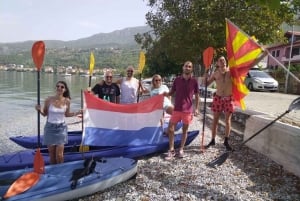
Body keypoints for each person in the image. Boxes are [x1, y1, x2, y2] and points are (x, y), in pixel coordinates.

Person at [35, 81, 82, 164]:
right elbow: (44, 114)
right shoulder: (49, 100)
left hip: (61, 128)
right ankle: (54, 172)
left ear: (65, 89)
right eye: (58, 86)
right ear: (56, 88)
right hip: (50, 128)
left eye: (62, 87)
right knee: (52, 155)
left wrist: (77, 112)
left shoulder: (67, 101)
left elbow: (67, 114)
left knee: (59, 155)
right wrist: (39, 110)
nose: (59, 88)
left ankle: (60, 171)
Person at [164, 61, 200, 160]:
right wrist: (164, 94)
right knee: (170, 129)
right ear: (183, 67)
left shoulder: (194, 81)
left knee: (185, 130)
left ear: (191, 69)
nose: (187, 68)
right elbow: (171, 92)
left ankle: (181, 149)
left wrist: (196, 108)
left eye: (189, 67)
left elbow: (197, 96)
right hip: (177, 109)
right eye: (186, 66)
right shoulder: (177, 80)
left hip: (187, 110)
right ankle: (171, 150)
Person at [204, 56, 234, 151]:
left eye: (224, 60)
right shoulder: (215, 74)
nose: (223, 61)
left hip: (229, 99)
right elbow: (206, 84)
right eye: (220, 60)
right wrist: (206, 73)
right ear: (217, 63)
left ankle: (226, 141)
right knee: (215, 120)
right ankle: (212, 140)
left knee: (227, 121)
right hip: (218, 98)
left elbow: (246, 67)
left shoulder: (231, 71)